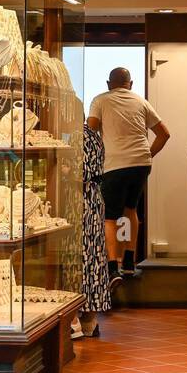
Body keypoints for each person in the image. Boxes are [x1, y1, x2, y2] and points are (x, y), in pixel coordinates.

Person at [87, 67, 169, 286]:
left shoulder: (100, 100)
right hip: (141, 164)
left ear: (108, 84)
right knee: (131, 209)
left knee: (109, 217)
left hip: (114, 164)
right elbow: (164, 134)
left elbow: (90, 128)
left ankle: (112, 269)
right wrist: (147, 155)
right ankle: (130, 264)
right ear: (130, 84)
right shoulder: (142, 102)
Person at [74, 122, 111, 339]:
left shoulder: (81, 137)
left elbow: (82, 172)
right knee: (92, 258)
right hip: (90, 200)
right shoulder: (92, 135)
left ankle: (82, 319)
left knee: (86, 259)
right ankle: (89, 320)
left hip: (83, 202)